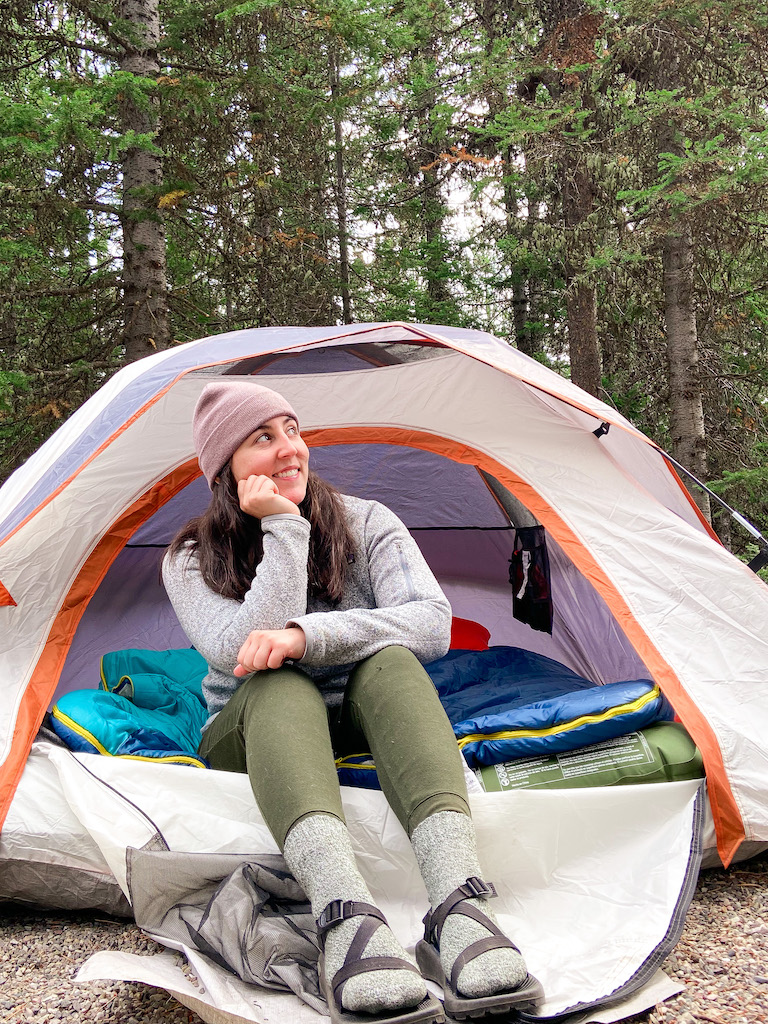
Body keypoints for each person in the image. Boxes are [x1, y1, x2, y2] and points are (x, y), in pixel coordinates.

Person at [162, 381, 543, 1024]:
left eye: (292, 430)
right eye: (263, 438)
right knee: (279, 681)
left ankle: (459, 905)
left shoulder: (367, 521)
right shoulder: (192, 557)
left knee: (391, 660)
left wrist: (308, 635)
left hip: (356, 712)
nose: (290, 450)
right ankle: (344, 918)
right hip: (255, 728)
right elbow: (243, 654)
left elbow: (431, 623)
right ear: (225, 469)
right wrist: (284, 529)